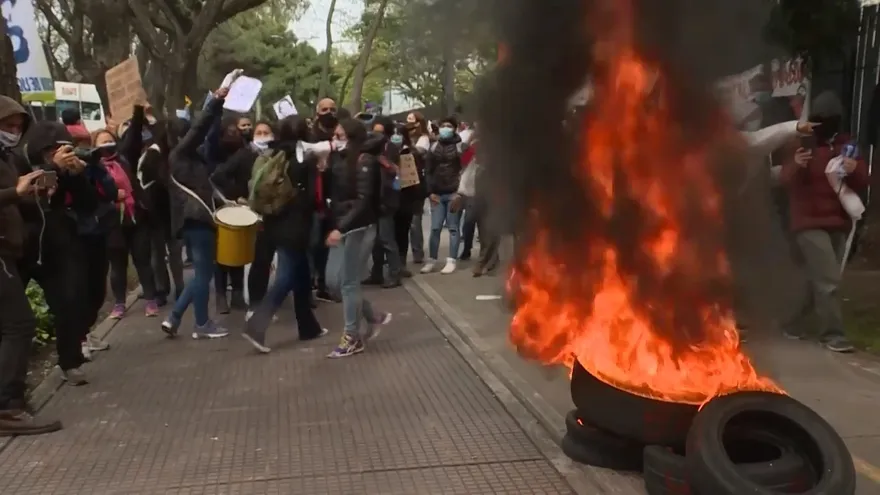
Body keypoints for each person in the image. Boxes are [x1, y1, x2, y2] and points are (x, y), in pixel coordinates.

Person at [21, 119, 118, 385]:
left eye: (63, 148)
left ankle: (70, 360)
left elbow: (88, 204)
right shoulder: (18, 165)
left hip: (57, 243)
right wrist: (50, 168)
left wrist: (76, 176)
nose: (59, 154)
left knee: (71, 299)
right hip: (22, 247)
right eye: (52, 149)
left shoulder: (69, 169)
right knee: (15, 317)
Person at [778, 91, 868, 353]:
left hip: (838, 221)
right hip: (808, 222)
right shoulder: (801, 143)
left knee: (817, 278)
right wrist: (795, 164)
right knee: (828, 279)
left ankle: (791, 323)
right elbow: (784, 180)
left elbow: (862, 181)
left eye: (831, 118)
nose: (826, 122)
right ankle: (833, 334)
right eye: (822, 117)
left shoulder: (846, 145)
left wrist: (854, 169)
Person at [0, 94, 63, 435]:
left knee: (12, 325)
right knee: (20, 324)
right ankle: (7, 406)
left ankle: (12, 401)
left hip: (8, 250)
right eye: (6, 125)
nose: (12, 131)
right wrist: (16, 192)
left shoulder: (7, 157)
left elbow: (14, 197)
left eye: (17, 126)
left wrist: (34, 193)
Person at [242, 116, 327, 352]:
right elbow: (311, 198)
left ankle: (309, 327)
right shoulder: (305, 159)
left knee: (300, 277)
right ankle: (257, 326)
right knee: (287, 278)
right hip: (296, 226)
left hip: (272, 222)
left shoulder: (273, 154)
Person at [161, 86, 230, 339]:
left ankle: (175, 317)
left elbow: (207, 133)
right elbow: (201, 130)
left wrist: (217, 108)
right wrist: (214, 102)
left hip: (191, 221)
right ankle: (201, 324)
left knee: (202, 274)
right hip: (197, 220)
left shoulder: (184, 158)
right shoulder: (181, 154)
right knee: (204, 274)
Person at [325, 119, 393, 358]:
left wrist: (340, 228)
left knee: (348, 282)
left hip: (358, 227)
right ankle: (373, 316)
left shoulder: (366, 162)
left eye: (341, 136)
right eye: (335, 136)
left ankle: (352, 336)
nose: (336, 140)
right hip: (343, 225)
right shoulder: (341, 160)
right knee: (334, 281)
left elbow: (363, 202)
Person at [96, 105, 160, 319]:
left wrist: (137, 112)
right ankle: (120, 304)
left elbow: (133, 135)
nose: (107, 144)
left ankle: (151, 300)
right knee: (118, 264)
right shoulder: (92, 168)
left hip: (136, 218)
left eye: (109, 140)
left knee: (143, 260)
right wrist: (113, 196)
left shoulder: (125, 158)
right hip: (112, 223)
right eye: (102, 142)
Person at [142, 119, 185, 306]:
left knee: (175, 251)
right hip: (156, 211)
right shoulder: (153, 154)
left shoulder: (177, 153)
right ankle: (162, 289)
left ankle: (180, 288)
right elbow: (151, 180)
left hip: (173, 211)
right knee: (157, 253)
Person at [208, 115, 248, 314]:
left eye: (236, 132)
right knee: (222, 253)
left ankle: (238, 293)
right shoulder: (214, 154)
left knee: (238, 250)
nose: (234, 135)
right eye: (229, 131)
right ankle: (222, 295)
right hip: (219, 206)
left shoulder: (244, 153)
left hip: (239, 206)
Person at [364, 116, 405, 288]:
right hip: (374, 199)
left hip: (387, 199)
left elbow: (397, 172)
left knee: (387, 239)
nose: (376, 136)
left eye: (380, 132)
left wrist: (384, 162)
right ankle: (377, 272)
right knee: (376, 241)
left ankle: (395, 273)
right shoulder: (369, 149)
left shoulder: (391, 148)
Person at [422, 116, 466, 275]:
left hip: (454, 193)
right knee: (435, 228)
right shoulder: (433, 147)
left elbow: (466, 171)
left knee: (453, 228)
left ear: (455, 128)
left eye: (449, 126)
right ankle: (432, 260)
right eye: (443, 125)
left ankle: (451, 260)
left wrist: (460, 193)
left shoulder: (461, 147)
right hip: (437, 195)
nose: (445, 128)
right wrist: (430, 192)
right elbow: (427, 171)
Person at [392, 123, 427, 267]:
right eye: (393, 133)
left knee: (404, 232)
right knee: (392, 234)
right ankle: (395, 265)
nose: (395, 136)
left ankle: (401, 264)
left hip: (408, 198)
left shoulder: (413, 153)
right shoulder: (386, 152)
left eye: (398, 133)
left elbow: (418, 177)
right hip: (391, 198)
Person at [405, 112, 430, 264]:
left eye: (411, 121)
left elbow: (418, 153)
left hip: (417, 184)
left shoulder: (423, 139)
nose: (408, 123)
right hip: (403, 183)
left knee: (415, 222)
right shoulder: (403, 137)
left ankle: (418, 253)